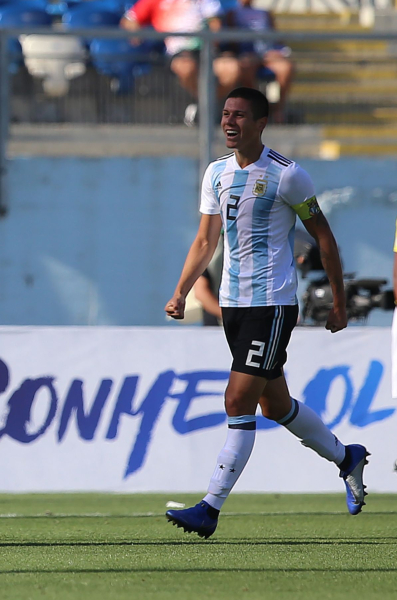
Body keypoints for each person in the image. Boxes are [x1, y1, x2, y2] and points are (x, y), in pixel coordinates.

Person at [163, 87, 369, 538]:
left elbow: (325, 239)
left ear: (261, 123)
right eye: (225, 114)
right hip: (235, 307)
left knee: (237, 400)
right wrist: (181, 291)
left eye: (239, 115)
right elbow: (205, 241)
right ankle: (345, 456)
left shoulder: (287, 176)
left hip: (271, 305)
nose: (229, 122)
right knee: (275, 405)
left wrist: (338, 301)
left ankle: (210, 508)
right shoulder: (216, 173)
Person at [121, 0, 243, 125]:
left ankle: (202, 107)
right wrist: (136, 34)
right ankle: (209, 109)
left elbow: (215, 22)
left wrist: (213, 32)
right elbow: (129, 20)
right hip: (177, 50)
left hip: (207, 49)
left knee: (231, 68)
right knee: (186, 66)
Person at [221, 0, 294, 122]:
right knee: (246, 67)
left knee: (286, 68)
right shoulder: (231, 13)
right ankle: (254, 107)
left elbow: (275, 36)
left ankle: (277, 110)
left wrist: (277, 50)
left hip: (267, 54)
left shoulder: (265, 13)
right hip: (246, 54)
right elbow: (231, 41)